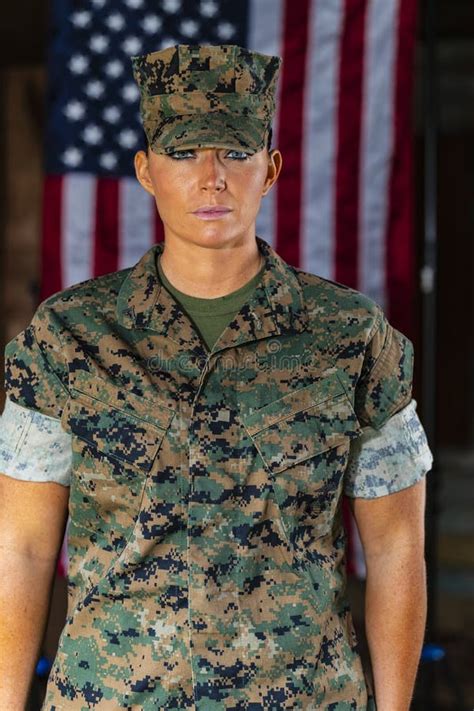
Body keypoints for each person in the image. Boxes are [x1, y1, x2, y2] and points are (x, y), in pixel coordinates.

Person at [0, 43, 432, 710]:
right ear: (146, 170)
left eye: (235, 152)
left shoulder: (349, 337)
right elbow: (23, 546)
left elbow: (397, 544)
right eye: (184, 152)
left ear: (271, 169)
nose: (212, 178)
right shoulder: (69, 336)